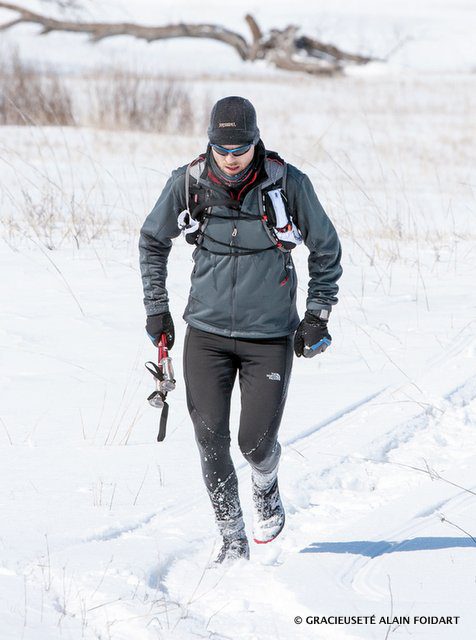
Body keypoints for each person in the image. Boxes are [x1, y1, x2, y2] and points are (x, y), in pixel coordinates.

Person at [139, 96, 342, 563]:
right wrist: (157, 308)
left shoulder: (287, 184)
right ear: (209, 141)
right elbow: (152, 241)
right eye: (221, 148)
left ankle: (266, 482)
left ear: (256, 141)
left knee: (254, 443)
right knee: (209, 437)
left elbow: (326, 249)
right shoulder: (188, 183)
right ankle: (232, 537)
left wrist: (317, 314)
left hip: (269, 337)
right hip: (205, 333)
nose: (231, 158)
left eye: (240, 148)